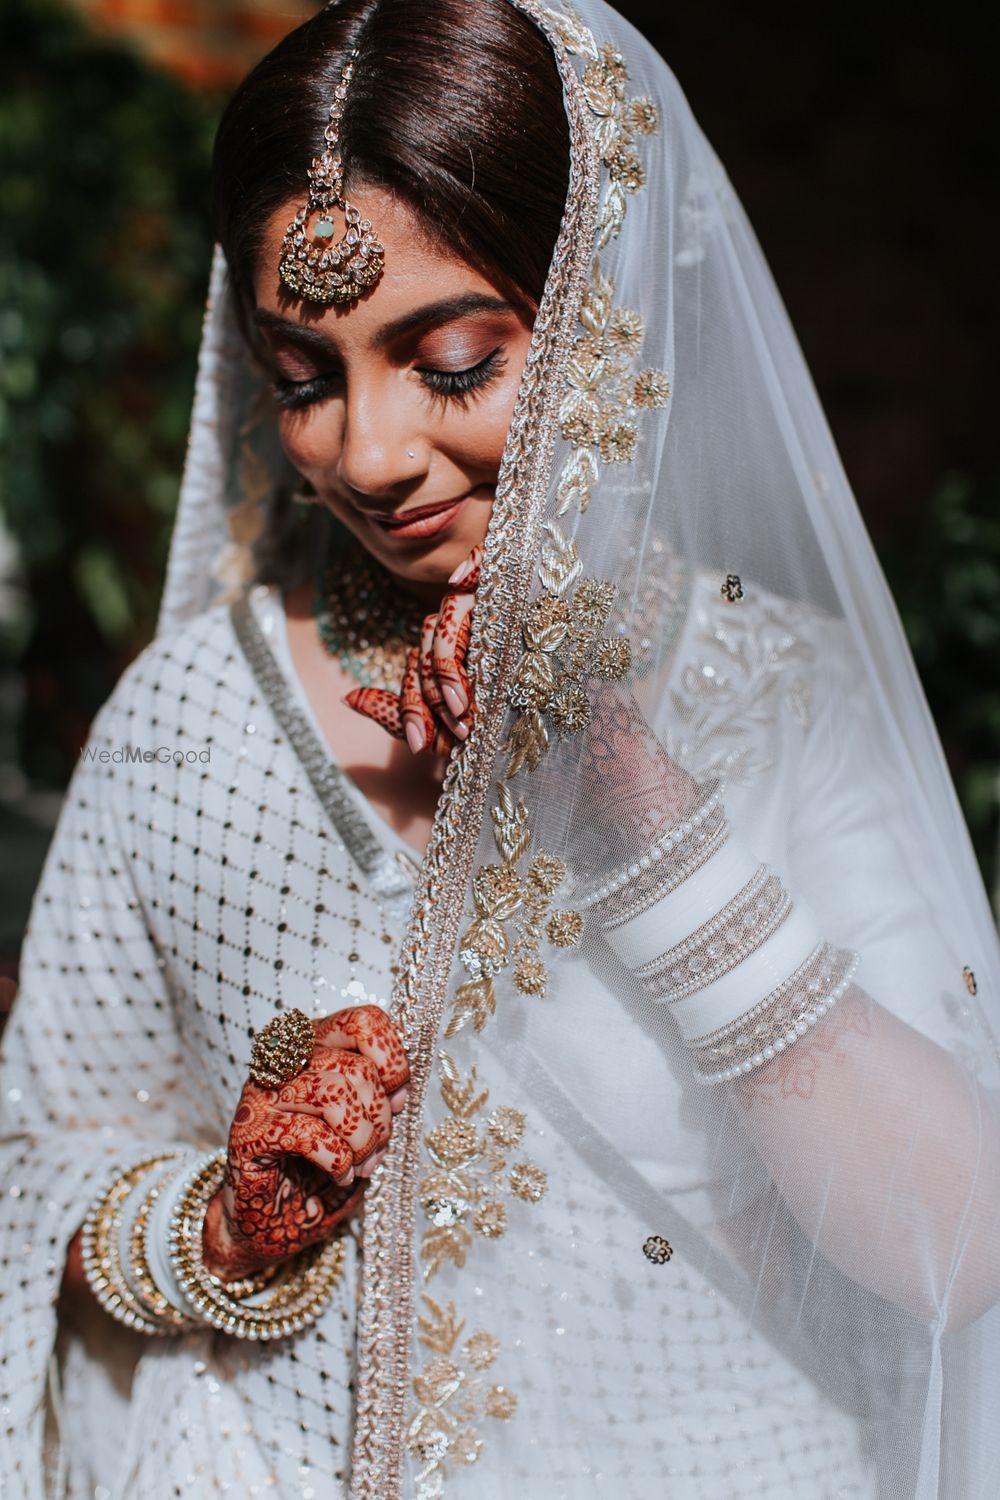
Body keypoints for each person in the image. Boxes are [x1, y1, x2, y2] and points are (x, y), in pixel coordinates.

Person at [2, 0, 998, 1495]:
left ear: (601, 316)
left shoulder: (776, 688)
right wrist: (221, 1228)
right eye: (303, 377)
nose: (369, 450)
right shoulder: (191, 719)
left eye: (453, 360)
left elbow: (957, 1241)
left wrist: (629, 793)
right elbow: (37, 1167)